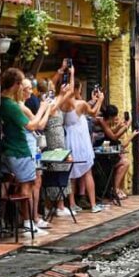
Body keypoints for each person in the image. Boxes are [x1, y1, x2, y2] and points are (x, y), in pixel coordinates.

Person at [0, 68, 47, 231]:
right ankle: (28, 223)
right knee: (27, 185)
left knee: (5, 185)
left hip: (7, 150)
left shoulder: (1, 102)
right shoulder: (11, 105)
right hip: (18, 149)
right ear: (16, 85)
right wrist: (42, 108)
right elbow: (32, 125)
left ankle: (1, 222)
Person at [61, 75, 105, 213]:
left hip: (69, 139)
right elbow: (92, 113)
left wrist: (92, 100)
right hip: (80, 141)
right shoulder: (80, 104)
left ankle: (72, 203)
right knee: (87, 172)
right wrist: (100, 101)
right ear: (77, 89)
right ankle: (93, 204)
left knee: (71, 173)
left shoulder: (63, 104)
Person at [19, 77, 52, 231]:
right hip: (28, 147)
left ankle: (34, 217)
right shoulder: (22, 106)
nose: (31, 92)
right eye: (28, 89)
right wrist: (45, 109)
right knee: (31, 183)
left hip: (33, 146)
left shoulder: (24, 104)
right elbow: (38, 124)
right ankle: (30, 219)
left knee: (36, 181)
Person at [42, 75, 76, 218]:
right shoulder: (47, 102)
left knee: (63, 166)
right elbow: (55, 105)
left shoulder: (55, 100)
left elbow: (70, 91)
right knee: (55, 167)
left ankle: (60, 205)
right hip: (52, 138)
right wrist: (61, 94)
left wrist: (71, 74)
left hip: (60, 137)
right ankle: (53, 205)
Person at [94, 105, 139, 200]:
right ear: (111, 116)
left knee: (124, 160)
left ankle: (116, 188)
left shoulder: (104, 122)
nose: (116, 119)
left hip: (104, 151)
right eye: (115, 116)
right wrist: (126, 126)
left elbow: (110, 133)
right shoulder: (102, 121)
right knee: (125, 162)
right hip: (99, 155)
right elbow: (113, 137)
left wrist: (120, 126)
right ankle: (115, 189)